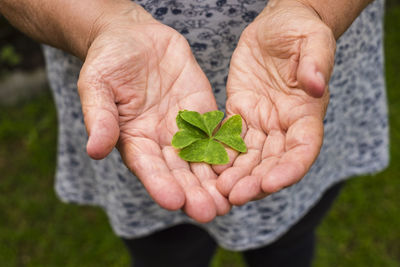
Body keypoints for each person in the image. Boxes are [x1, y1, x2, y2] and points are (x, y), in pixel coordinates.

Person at [0, 0, 388, 266]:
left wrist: (316, 9)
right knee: (165, 249)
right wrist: (98, 23)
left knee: (292, 232)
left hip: (293, 83)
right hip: (136, 102)